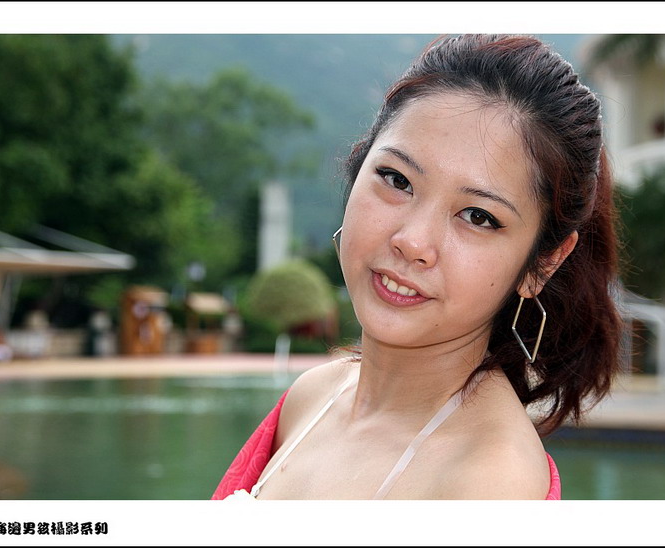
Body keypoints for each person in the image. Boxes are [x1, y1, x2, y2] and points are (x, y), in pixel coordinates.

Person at [213, 34, 622, 500]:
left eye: (478, 217)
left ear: (543, 264)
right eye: (397, 179)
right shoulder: (312, 397)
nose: (412, 242)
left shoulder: (489, 480)